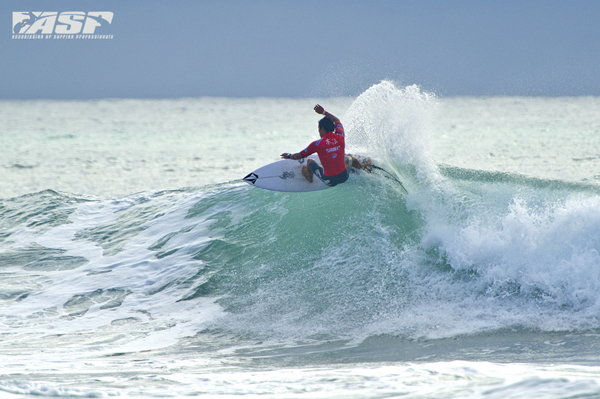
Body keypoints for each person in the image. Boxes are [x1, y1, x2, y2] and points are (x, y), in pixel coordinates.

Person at [281, 105, 370, 187]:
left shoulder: (317, 144)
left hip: (329, 181)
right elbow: (336, 120)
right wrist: (324, 112)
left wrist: (288, 155)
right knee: (350, 157)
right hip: (344, 176)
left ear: (322, 129)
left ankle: (309, 177)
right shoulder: (340, 136)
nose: (319, 132)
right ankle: (363, 171)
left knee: (309, 161)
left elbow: (298, 156)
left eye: (319, 129)